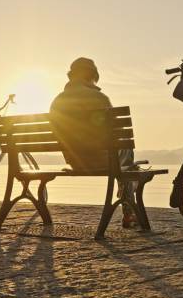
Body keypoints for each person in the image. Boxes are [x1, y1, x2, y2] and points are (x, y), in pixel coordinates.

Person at [49, 57, 139, 228]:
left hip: (75, 163)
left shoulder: (57, 101)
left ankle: (127, 191)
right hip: (103, 161)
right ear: (92, 76)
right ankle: (129, 209)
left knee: (125, 160)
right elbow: (116, 136)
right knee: (128, 155)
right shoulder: (99, 98)